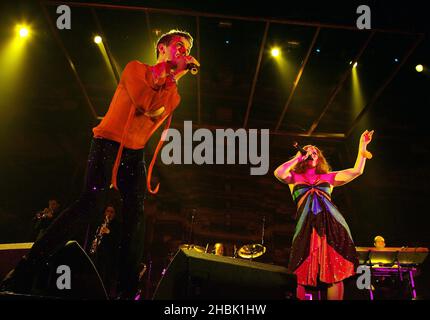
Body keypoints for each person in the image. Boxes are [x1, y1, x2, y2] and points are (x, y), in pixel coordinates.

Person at [1, 29, 200, 299]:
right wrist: (167, 69)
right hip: (108, 143)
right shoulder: (135, 69)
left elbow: (155, 108)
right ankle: (25, 269)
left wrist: (173, 76)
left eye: (187, 48)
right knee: (91, 204)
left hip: (134, 153)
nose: (184, 51)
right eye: (179, 45)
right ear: (162, 48)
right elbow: (143, 102)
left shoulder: (174, 93)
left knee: (136, 217)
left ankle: (127, 290)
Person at [274, 130, 374, 300]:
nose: (311, 152)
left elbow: (357, 171)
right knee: (299, 272)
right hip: (306, 227)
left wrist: (362, 146)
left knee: (335, 271)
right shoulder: (294, 177)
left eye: (315, 151)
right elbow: (278, 173)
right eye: (308, 150)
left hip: (332, 227)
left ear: (319, 158)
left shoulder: (328, 177)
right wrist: (298, 157)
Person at [90, 205, 121, 298]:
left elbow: (118, 240)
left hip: (110, 255)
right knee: (97, 274)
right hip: (99, 252)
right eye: (108, 211)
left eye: (112, 212)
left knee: (107, 277)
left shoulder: (117, 225)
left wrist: (109, 233)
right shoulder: (101, 223)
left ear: (115, 214)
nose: (109, 214)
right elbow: (96, 236)